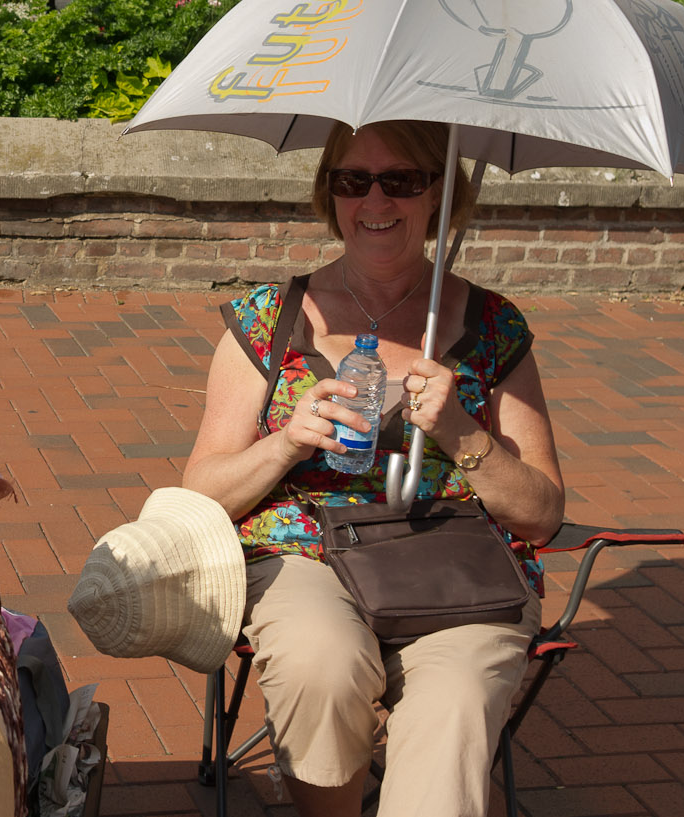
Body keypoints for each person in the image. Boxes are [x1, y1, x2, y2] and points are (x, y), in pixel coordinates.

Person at [180, 120, 566, 817]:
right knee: (319, 660)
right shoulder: (271, 319)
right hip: (304, 552)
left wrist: (460, 430)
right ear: (330, 194)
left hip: (454, 566)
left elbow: (541, 513)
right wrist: (287, 443)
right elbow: (197, 494)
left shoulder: (493, 326)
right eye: (353, 180)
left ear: (441, 193)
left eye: (403, 180)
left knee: (455, 700)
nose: (375, 199)